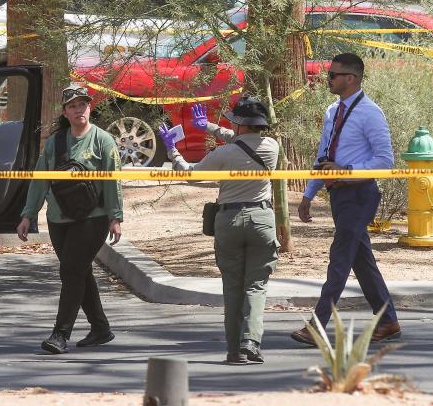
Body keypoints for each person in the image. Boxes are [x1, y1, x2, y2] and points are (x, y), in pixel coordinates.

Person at [158, 96, 279, 365]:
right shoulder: (272, 147)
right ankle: (251, 341)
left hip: (229, 220)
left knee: (232, 287)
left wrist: (172, 150)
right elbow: (241, 140)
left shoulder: (223, 154)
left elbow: (191, 174)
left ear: (238, 124)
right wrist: (211, 127)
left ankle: (234, 350)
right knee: (256, 285)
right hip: (261, 218)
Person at [291, 52, 401, 345]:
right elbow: (323, 157)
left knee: (339, 260)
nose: (327, 78)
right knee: (361, 261)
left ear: (350, 78)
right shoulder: (332, 111)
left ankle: (317, 326)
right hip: (338, 195)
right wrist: (308, 193)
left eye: (332, 75)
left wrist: (348, 169)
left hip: (360, 194)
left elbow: (385, 162)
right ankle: (388, 321)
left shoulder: (370, 113)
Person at [16, 84, 123, 354]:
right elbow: (40, 180)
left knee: (71, 271)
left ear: (90, 107)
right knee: (79, 271)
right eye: (73, 106)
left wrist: (115, 216)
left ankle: (60, 334)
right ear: (65, 112)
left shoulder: (103, 141)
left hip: (93, 218)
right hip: (58, 219)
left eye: (83, 104)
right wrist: (28, 214)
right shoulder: (56, 142)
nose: (79, 109)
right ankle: (100, 328)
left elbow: (113, 183)